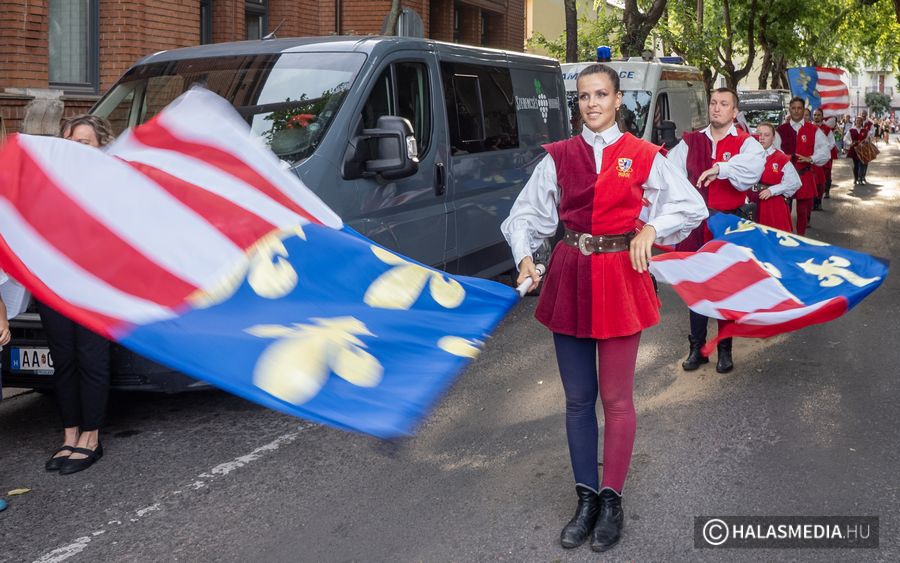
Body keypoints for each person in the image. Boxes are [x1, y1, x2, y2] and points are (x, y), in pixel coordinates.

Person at [501, 64, 706, 553]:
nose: (591, 103)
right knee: (576, 400)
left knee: (616, 400)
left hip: (619, 278)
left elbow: (690, 206)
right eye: (583, 96)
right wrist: (526, 255)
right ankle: (585, 499)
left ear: (618, 101)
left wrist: (652, 229)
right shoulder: (558, 157)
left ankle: (612, 500)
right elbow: (524, 215)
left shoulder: (643, 155)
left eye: (600, 94)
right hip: (570, 275)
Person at [667, 88, 765, 374]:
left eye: (724, 104)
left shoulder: (747, 144)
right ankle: (697, 348)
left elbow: (751, 171)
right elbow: (668, 172)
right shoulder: (691, 142)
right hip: (696, 227)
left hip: (728, 227)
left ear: (735, 112)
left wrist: (720, 169)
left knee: (726, 289)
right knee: (696, 288)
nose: (716, 108)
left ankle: (724, 349)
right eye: (713, 103)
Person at [41, 114, 115, 475]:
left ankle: (91, 437)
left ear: (101, 146)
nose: (75, 149)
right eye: (69, 142)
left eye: (83, 142)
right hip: (55, 284)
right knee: (64, 359)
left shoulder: (113, 184)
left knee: (91, 359)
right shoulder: (51, 184)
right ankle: (70, 434)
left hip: (94, 287)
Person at [776, 98, 830, 235]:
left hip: (804, 175)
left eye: (799, 108)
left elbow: (825, 151)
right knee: (783, 210)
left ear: (804, 110)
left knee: (803, 212)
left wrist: (811, 158)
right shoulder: (780, 130)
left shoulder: (813, 130)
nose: (796, 111)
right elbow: (772, 151)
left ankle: (800, 239)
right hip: (785, 177)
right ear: (789, 109)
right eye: (793, 108)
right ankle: (785, 238)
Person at [751, 123, 801, 232]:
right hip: (753, 204)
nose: (762, 138)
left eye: (766, 135)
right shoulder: (749, 155)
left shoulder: (781, 158)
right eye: (759, 134)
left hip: (773, 206)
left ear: (773, 138)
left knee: (774, 240)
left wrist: (772, 190)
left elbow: (795, 182)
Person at [811, 109, 837, 207]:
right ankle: (813, 201)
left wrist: (823, 151)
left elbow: (832, 143)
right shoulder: (808, 127)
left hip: (823, 159)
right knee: (812, 180)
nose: (816, 117)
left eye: (818, 115)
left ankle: (819, 200)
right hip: (812, 159)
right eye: (815, 115)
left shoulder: (827, 129)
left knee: (823, 179)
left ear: (822, 116)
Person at [847, 115, 869, 185]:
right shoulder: (851, 130)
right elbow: (845, 138)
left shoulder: (865, 130)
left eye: (860, 121)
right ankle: (856, 178)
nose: (858, 122)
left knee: (862, 164)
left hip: (862, 149)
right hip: (854, 149)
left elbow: (868, 138)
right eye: (857, 121)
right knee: (856, 165)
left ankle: (861, 178)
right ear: (855, 122)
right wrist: (850, 143)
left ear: (862, 122)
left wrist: (866, 141)